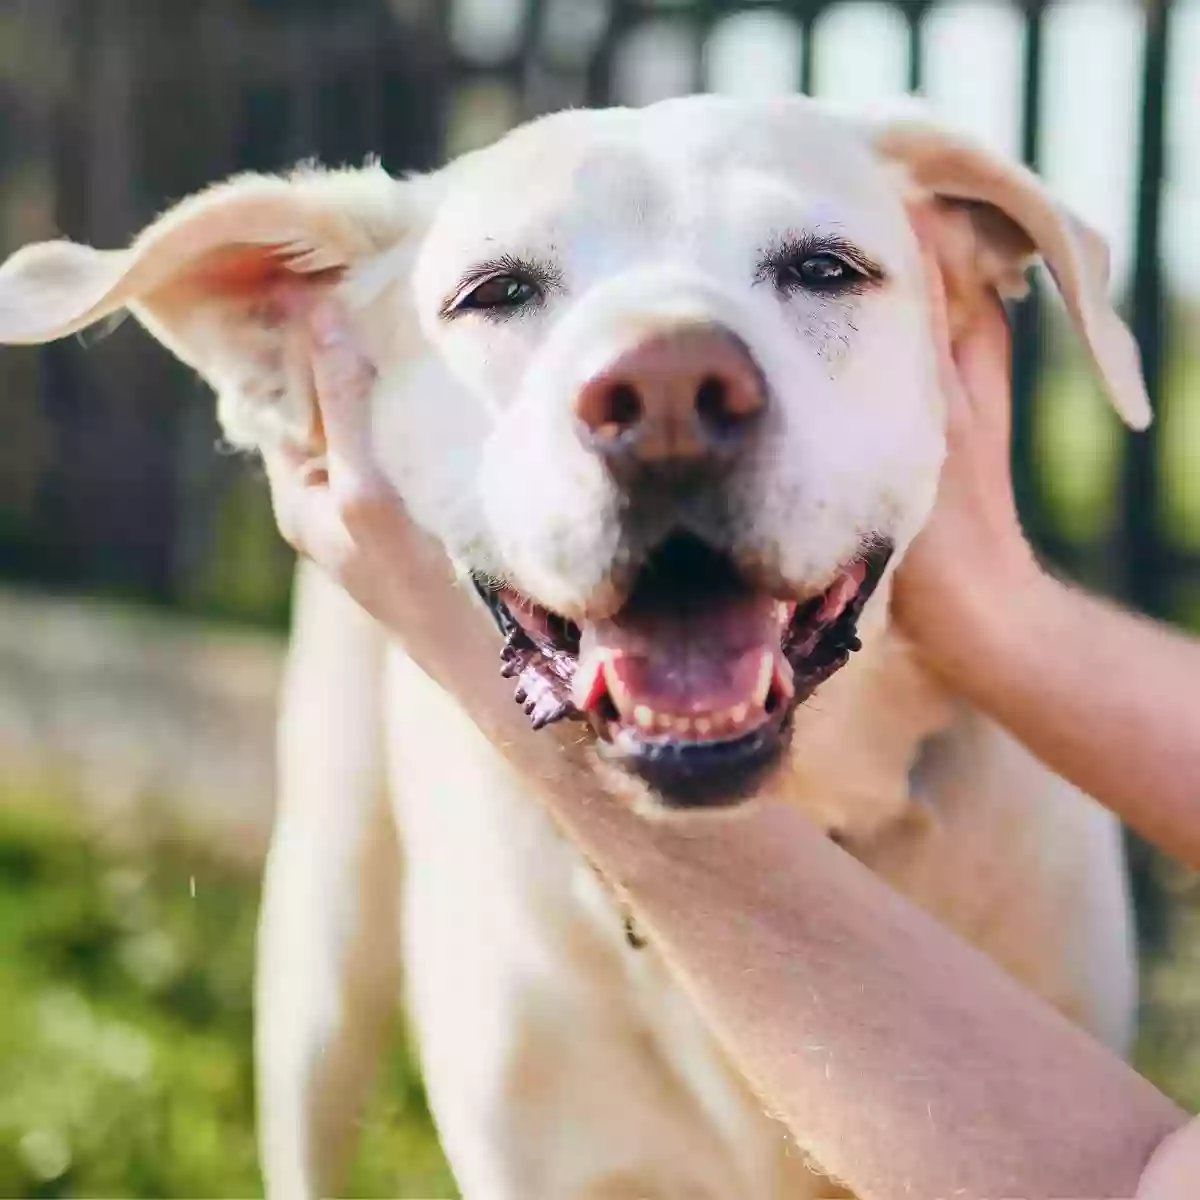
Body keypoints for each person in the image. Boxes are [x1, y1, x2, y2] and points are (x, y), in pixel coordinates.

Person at [261, 263, 1200, 1195]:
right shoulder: (402, 546)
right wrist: (996, 612)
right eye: (500, 292)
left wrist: (493, 681)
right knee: (323, 971)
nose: (669, 398)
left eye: (821, 272)